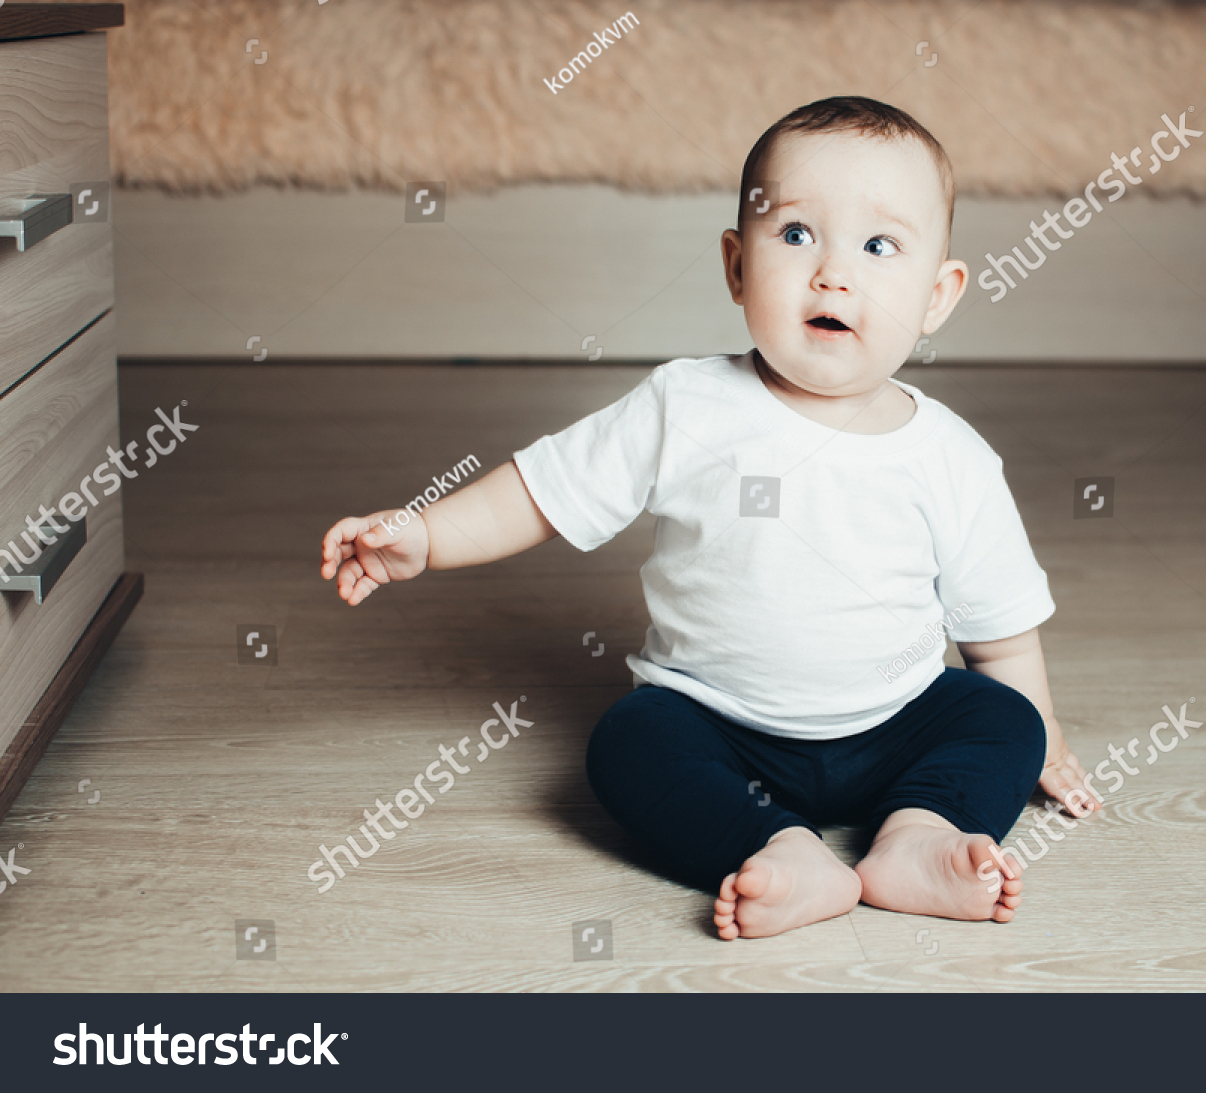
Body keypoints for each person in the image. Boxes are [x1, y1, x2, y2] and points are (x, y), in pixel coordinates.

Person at [320, 96, 1100, 941]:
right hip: (718, 723)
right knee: (627, 744)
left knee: (1003, 719)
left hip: (894, 726)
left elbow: (1003, 635)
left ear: (938, 294)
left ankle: (919, 834)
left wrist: (1046, 740)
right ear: (736, 266)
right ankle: (777, 845)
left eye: (879, 246)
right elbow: (542, 490)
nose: (833, 273)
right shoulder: (685, 404)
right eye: (796, 234)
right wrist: (427, 534)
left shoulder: (951, 455)